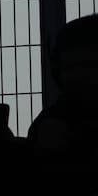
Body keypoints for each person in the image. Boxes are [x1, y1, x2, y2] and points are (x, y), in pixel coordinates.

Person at [25, 13, 98, 193]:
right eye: (71, 68)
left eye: (87, 66)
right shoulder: (51, 124)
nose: (78, 76)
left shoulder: (52, 123)